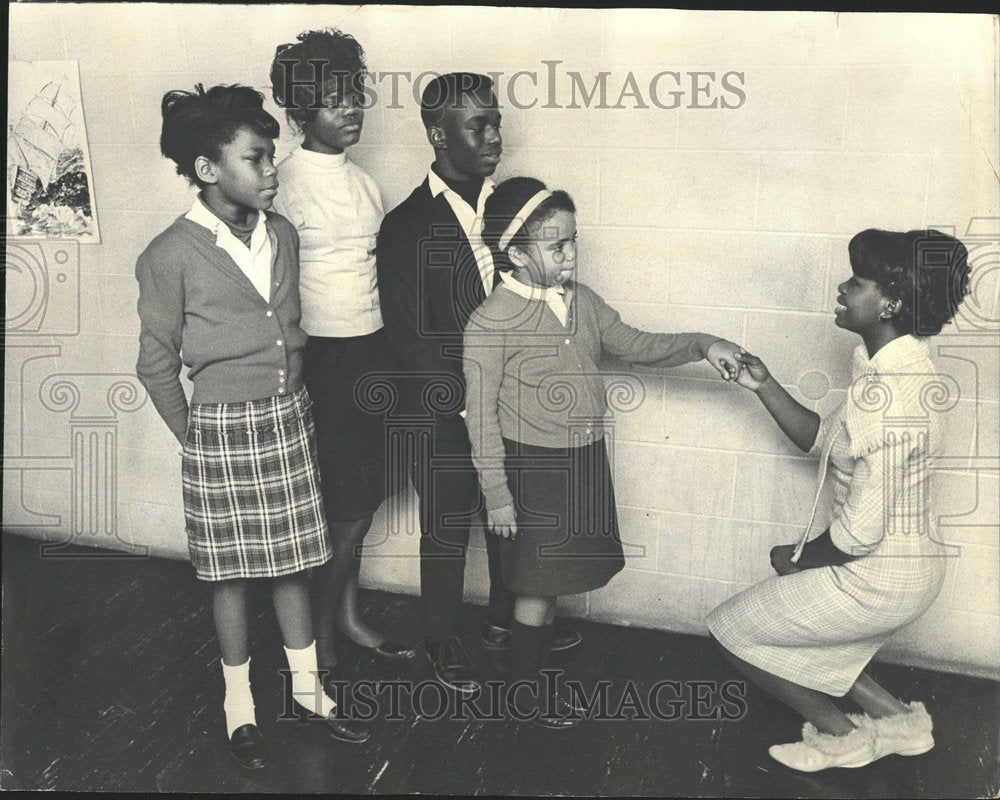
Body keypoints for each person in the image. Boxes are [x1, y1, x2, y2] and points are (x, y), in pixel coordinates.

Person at [135, 84, 369, 771]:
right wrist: (197, 436)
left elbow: (285, 332)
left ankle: (307, 693)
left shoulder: (283, 236)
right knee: (230, 577)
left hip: (288, 420)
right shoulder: (169, 254)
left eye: (271, 158)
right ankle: (239, 706)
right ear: (209, 170)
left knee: (295, 564)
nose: (273, 171)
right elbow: (154, 367)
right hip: (220, 432)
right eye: (257, 159)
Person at [464, 176, 745, 727]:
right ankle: (524, 690)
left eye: (573, 241)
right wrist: (496, 494)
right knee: (537, 585)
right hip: (533, 469)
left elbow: (636, 345)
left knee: (552, 582)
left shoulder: (583, 303)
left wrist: (702, 344)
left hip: (582, 461)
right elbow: (480, 415)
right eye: (556, 246)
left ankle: (527, 663)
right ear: (516, 254)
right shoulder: (490, 322)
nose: (570, 255)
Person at [706, 229, 970, 771]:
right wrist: (765, 385)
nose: (842, 289)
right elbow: (830, 443)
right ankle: (900, 722)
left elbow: (859, 533)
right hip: (906, 567)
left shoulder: (893, 392)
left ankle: (842, 737)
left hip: (880, 575)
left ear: (890, 302)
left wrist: (795, 559)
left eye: (856, 281)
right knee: (814, 634)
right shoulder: (893, 365)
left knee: (733, 631)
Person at [376, 73, 581, 697]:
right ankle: (440, 638)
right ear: (437, 135)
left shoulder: (511, 210)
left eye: (495, 121)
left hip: (508, 402)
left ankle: (500, 621)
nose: (495, 134)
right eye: (477, 124)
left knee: (506, 515)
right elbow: (407, 335)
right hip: (439, 406)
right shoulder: (406, 224)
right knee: (447, 524)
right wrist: (465, 399)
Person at [269, 28, 416, 680]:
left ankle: (349, 619)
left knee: (360, 501)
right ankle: (320, 639)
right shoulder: (284, 188)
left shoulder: (365, 185)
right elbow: (272, 294)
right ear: (301, 112)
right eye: (334, 100)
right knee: (344, 509)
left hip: (375, 355)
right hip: (323, 364)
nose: (352, 109)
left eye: (355, 95)